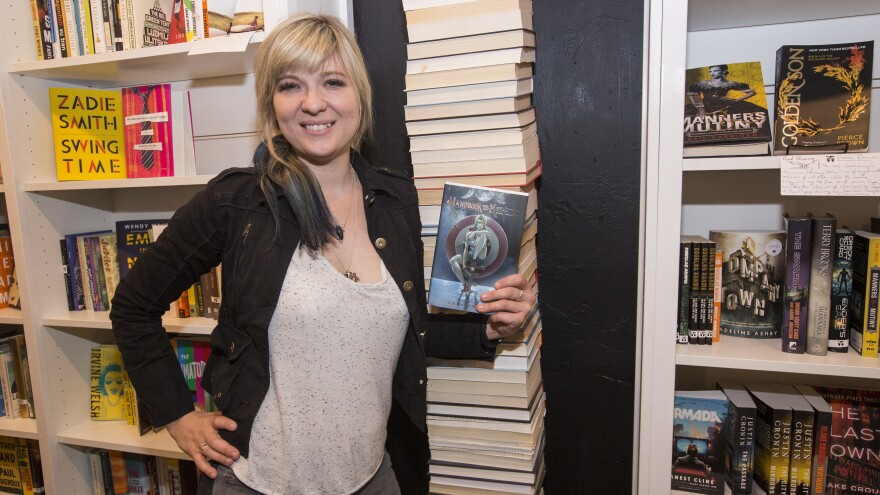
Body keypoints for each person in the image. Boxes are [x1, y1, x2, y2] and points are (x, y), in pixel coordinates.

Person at [109, 13, 534, 495]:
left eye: (333, 81)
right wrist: (178, 416)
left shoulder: (396, 201)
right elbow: (132, 307)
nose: (313, 103)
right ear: (272, 103)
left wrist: (488, 327)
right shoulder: (239, 203)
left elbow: (396, 326)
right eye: (291, 86)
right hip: (256, 482)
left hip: (374, 478)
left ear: (360, 97)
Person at [686, 64, 764, 118]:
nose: (712, 73)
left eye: (715, 71)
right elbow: (691, 93)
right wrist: (694, 104)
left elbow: (752, 92)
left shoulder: (730, 83)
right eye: (710, 71)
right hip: (705, 105)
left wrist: (737, 100)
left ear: (723, 71)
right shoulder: (703, 83)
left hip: (724, 105)